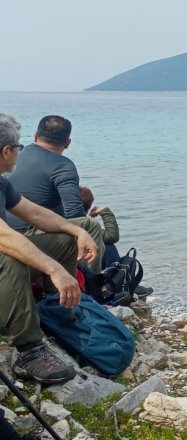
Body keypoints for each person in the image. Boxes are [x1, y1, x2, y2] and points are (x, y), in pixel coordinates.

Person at [0, 113, 98, 385]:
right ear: (7, 151)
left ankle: (57, 310)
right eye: (17, 148)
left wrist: (77, 230)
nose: (19, 153)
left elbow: (37, 214)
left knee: (63, 239)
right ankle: (29, 351)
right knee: (10, 258)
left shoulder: (2, 183)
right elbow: (4, 237)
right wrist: (54, 269)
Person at [4, 115, 105, 273]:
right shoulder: (63, 166)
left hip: (12, 232)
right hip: (25, 237)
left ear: (36, 136)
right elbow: (75, 214)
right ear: (67, 143)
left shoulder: (16, 155)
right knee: (90, 226)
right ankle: (92, 283)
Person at [79, 186, 154, 296]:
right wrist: (105, 212)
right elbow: (112, 235)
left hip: (73, 264)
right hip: (81, 267)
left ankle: (121, 282)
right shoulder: (82, 224)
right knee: (109, 247)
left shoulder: (57, 218)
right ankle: (122, 285)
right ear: (89, 206)